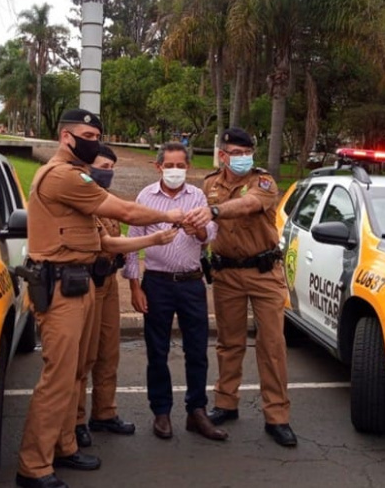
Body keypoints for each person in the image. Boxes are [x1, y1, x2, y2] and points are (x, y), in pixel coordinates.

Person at [16, 109, 184, 488]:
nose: (94, 140)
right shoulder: (63, 176)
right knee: (58, 379)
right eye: (88, 134)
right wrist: (171, 214)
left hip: (77, 284)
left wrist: (153, 239)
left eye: (97, 134)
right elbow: (123, 210)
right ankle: (34, 466)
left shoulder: (75, 179)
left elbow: (104, 241)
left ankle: (63, 445)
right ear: (66, 138)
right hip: (61, 288)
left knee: (76, 372)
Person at [183, 127, 297, 448]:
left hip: (264, 272)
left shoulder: (263, 182)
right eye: (236, 153)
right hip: (226, 274)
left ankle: (277, 416)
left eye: (248, 153)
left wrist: (214, 210)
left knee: (272, 345)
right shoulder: (209, 185)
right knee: (229, 342)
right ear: (222, 155)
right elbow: (203, 225)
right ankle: (225, 403)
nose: (244, 158)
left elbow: (248, 206)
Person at [123, 142, 227, 442]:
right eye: (169, 165)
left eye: (181, 165)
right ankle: (162, 412)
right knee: (157, 350)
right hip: (156, 283)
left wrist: (199, 230)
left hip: (192, 282)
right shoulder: (145, 197)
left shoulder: (197, 197)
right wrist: (133, 286)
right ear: (158, 167)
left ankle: (197, 411)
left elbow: (212, 234)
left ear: (188, 167)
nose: (175, 171)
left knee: (197, 350)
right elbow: (133, 244)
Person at [74, 144, 136, 448]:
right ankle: (75, 420)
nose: (106, 173)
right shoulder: (82, 200)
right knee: (85, 355)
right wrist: (155, 236)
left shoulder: (107, 201)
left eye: (111, 169)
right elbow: (109, 242)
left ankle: (104, 412)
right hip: (89, 283)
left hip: (109, 281)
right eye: (102, 167)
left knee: (109, 351)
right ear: (88, 167)